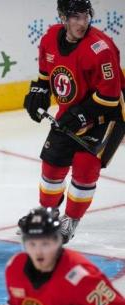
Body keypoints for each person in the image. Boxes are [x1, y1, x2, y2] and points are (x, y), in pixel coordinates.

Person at [23, 0, 125, 244]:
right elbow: (45, 76)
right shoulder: (49, 39)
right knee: (51, 167)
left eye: (85, 16)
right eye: (75, 17)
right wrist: (38, 93)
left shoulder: (101, 49)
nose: (82, 23)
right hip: (71, 112)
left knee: (84, 168)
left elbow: (110, 97)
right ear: (63, 17)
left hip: (106, 116)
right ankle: (48, 215)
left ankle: (70, 221)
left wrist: (80, 115)